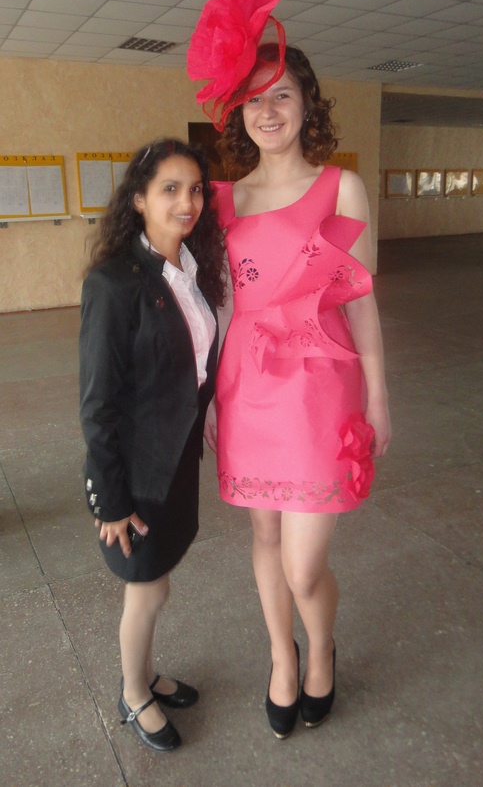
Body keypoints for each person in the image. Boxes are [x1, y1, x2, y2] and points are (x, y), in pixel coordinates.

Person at [187, 0, 392, 740]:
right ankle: (282, 657)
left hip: (318, 387)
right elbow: (217, 307)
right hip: (246, 386)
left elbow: (361, 300)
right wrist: (208, 397)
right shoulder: (222, 199)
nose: (267, 111)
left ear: (307, 104)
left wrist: (377, 399)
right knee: (264, 538)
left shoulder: (340, 188)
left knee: (304, 564)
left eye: (281, 95)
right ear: (236, 112)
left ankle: (321, 646)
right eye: (253, 99)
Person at [79, 138, 226, 752]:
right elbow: (97, 405)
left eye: (195, 189)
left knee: (157, 578)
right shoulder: (114, 283)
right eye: (169, 189)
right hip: (137, 474)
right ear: (138, 199)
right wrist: (111, 501)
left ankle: (144, 674)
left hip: (176, 461)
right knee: (147, 589)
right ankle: (134, 693)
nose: (187, 202)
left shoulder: (191, 268)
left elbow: (196, 362)